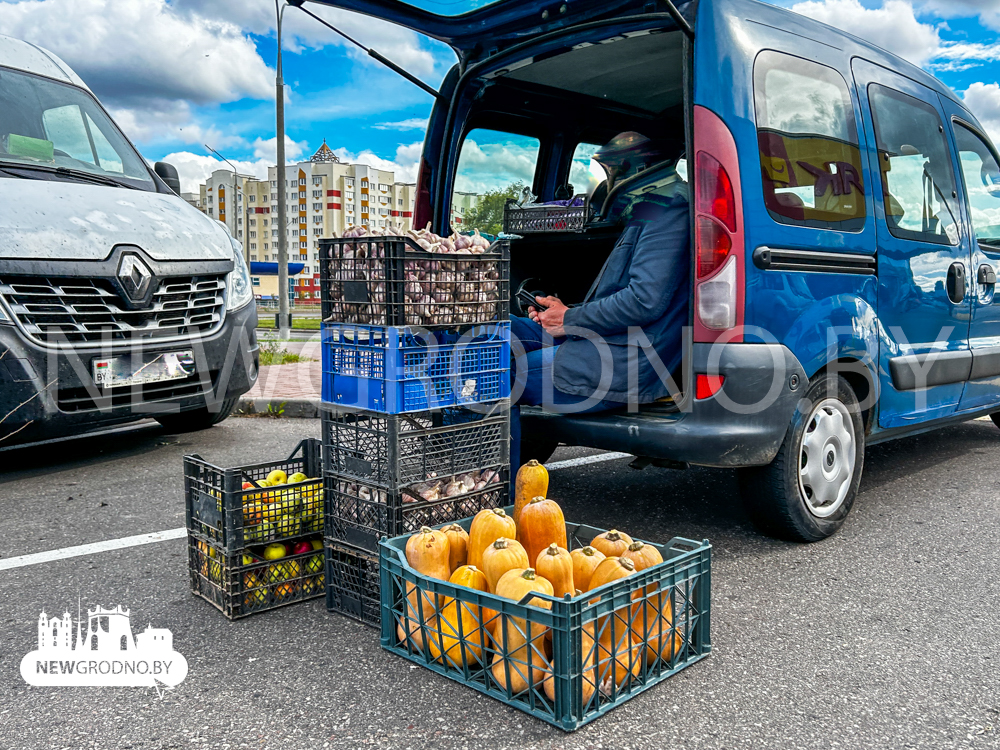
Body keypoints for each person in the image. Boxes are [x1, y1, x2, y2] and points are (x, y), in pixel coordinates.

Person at [510, 131, 690, 471]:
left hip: (621, 361)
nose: (604, 181)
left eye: (609, 171)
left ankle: (490, 494)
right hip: (603, 340)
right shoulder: (653, 210)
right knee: (494, 338)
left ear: (631, 169)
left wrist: (571, 319)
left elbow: (644, 300)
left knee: (495, 374)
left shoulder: (670, 212)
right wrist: (565, 311)